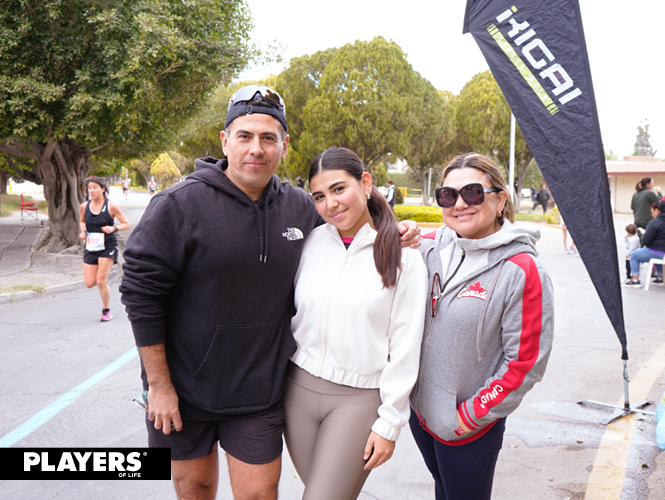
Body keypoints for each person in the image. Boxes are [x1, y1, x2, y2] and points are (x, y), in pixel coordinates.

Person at [118, 84, 421, 500]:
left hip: (259, 391)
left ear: (284, 145)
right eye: (244, 136)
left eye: (268, 138)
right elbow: (140, 294)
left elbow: (349, 222)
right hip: (181, 389)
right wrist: (159, 386)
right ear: (225, 140)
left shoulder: (301, 207)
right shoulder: (178, 204)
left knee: (260, 494)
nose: (255, 148)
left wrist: (397, 229)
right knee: (195, 487)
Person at [284, 148, 427, 500]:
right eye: (319, 196)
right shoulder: (311, 243)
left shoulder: (404, 257)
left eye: (338, 189)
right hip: (296, 392)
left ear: (365, 184)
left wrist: (391, 422)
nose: (330, 204)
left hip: (358, 399)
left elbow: (405, 346)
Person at [409, 153, 554, 500]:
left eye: (473, 193)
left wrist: (470, 416)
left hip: (469, 428)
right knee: (442, 492)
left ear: (500, 198)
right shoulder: (428, 246)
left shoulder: (522, 270)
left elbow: (524, 364)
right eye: (447, 195)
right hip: (422, 416)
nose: (459, 204)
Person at [79, 176, 130, 321]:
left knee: (101, 281)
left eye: (95, 187)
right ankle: (104, 295)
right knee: (90, 283)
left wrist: (113, 228)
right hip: (91, 246)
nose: (92, 190)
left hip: (108, 246)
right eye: (89, 188)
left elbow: (126, 224)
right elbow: (82, 221)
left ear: (103, 189)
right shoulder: (84, 206)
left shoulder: (111, 206)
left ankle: (106, 310)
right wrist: (83, 231)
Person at [625, 200, 665, 287]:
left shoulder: (654, 223)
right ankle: (661, 277)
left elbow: (646, 241)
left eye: (652, 211)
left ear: (657, 210)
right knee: (658, 256)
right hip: (663, 254)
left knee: (634, 255)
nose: (652, 214)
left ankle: (635, 280)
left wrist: (644, 235)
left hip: (656, 251)